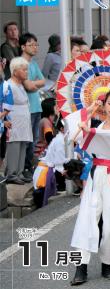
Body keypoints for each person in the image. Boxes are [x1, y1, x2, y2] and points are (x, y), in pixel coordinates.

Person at [67, 89, 110, 286]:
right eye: (109, 103)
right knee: (87, 219)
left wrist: (90, 130)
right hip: (96, 174)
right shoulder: (95, 124)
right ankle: (80, 268)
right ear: (103, 104)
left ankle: (107, 264)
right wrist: (88, 111)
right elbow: (74, 135)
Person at [2, 57, 33, 184]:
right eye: (23, 70)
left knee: (22, 146)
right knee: (14, 146)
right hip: (13, 120)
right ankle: (11, 173)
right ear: (15, 71)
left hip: (23, 120)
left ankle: (19, 172)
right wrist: (4, 120)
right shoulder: (8, 85)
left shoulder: (20, 85)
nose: (26, 72)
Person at [20, 33, 45, 175]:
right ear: (23, 47)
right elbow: (28, 87)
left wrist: (33, 83)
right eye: (31, 45)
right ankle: (25, 168)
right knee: (27, 140)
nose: (35, 47)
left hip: (36, 105)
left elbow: (42, 82)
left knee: (34, 139)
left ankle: (29, 167)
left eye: (36, 44)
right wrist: (34, 84)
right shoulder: (19, 63)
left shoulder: (34, 63)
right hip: (26, 107)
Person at [32, 115, 66, 208]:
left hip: (47, 169)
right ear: (62, 129)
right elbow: (60, 163)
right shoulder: (59, 140)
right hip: (45, 173)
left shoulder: (62, 139)